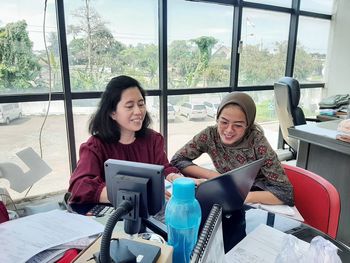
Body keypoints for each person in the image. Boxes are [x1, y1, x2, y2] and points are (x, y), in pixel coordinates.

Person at [68, 75, 184, 204]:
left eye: (141, 104)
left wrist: (178, 179)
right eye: (129, 106)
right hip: (114, 216)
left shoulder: (153, 139)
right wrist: (140, 193)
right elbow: (79, 187)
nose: (138, 111)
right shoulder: (95, 146)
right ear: (112, 112)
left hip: (148, 213)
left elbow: (163, 167)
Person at [171, 92, 294, 206]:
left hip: (257, 197)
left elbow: (286, 194)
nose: (229, 130)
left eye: (238, 125)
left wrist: (243, 196)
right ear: (217, 119)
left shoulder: (257, 141)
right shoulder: (210, 134)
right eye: (224, 122)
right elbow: (177, 160)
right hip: (226, 192)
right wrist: (213, 176)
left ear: (248, 125)